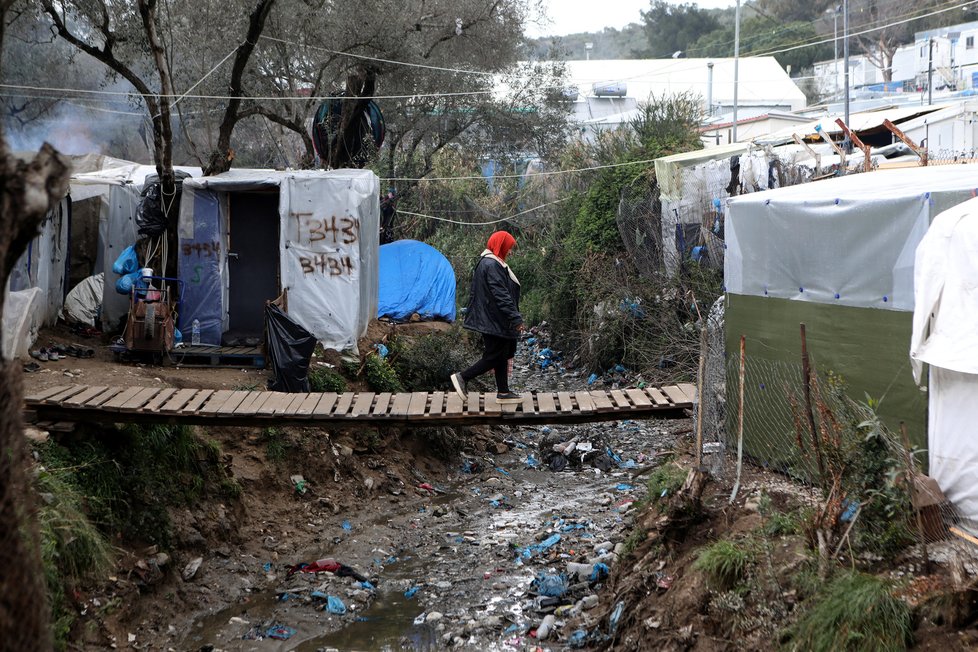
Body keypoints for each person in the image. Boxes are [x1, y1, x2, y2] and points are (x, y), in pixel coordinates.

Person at [451, 231, 524, 404]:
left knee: (502, 354)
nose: (510, 252)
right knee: (494, 356)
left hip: (493, 319)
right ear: (501, 246)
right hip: (494, 319)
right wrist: (515, 318)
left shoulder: (490, 263)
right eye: (508, 247)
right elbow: (501, 295)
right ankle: (463, 377)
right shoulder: (492, 265)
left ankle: (504, 392)